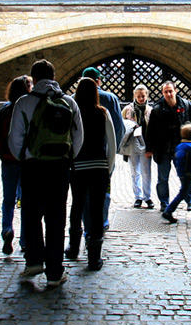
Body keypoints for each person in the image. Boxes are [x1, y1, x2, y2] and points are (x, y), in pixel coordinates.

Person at [8, 59, 83, 287]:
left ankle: (33, 262)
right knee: (56, 217)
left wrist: (25, 157)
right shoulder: (69, 102)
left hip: (32, 167)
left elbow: (15, 138)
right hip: (59, 167)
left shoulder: (24, 102)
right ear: (53, 75)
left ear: (35, 77)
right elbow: (78, 138)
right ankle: (54, 272)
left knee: (31, 215)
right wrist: (67, 158)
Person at [65, 77, 116, 271]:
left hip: (78, 167)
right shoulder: (102, 113)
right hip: (98, 167)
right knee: (96, 210)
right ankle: (94, 257)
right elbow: (112, 143)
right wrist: (108, 168)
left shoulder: (72, 113)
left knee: (76, 205)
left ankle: (73, 248)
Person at [0, 75, 32, 255]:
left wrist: (1, 153)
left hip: (8, 160)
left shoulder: (5, 109)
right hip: (25, 161)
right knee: (26, 201)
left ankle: (7, 229)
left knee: (8, 199)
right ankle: (24, 240)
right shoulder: (28, 109)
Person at [81, 67, 124, 233]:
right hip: (103, 155)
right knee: (103, 189)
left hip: (80, 157)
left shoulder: (72, 99)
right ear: (98, 81)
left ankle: (87, 226)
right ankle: (102, 221)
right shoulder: (110, 99)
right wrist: (114, 152)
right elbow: (118, 128)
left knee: (83, 192)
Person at [145, 81, 191, 212]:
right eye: (165, 92)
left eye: (170, 91)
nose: (168, 94)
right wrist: (149, 148)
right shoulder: (157, 110)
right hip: (163, 149)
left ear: (176, 91)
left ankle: (190, 201)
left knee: (185, 177)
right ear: (162, 93)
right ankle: (164, 203)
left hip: (181, 149)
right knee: (163, 178)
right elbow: (151, 130)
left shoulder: (186, 105)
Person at [162, 124, 191, 223]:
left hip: (182, 172)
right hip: (189, 173)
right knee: (183, 193)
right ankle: (168, 211)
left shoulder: (179, 146)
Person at [120, 84, 154, 209]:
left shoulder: (151, 110)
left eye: (143, 96)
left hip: (146, 145)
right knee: (135, 172)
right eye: (138, 96)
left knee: (146, 172)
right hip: (132, 145)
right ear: (135, 95)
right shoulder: (127, 110)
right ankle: (138, 197)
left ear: (147, 96)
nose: (140, 98)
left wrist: (151, 148)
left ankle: (147, 196)